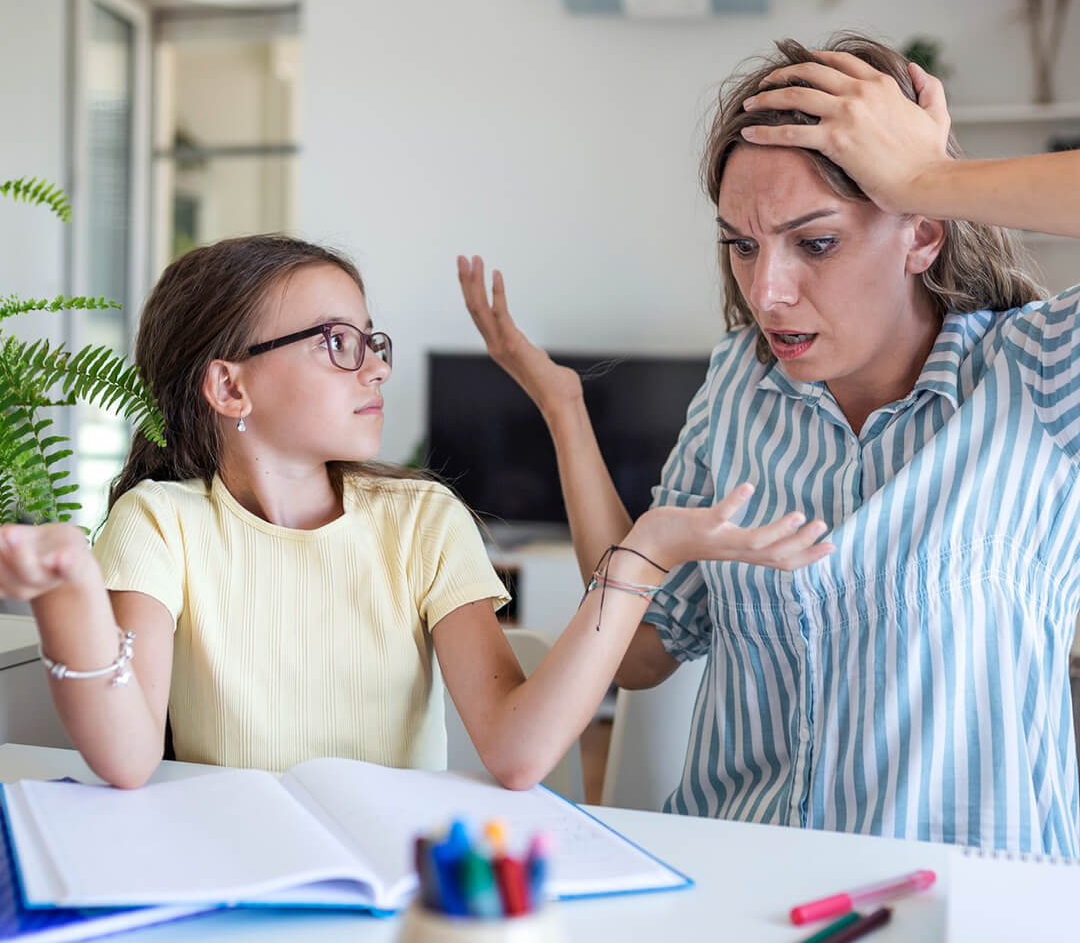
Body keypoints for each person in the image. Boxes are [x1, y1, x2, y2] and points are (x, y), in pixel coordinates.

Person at [459, 32, 1080, 856]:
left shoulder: (1036, 373)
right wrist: (565, 409)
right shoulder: (739, 387)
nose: (767, 293)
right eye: (743, 246)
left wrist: (930, 178)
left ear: (922, 235)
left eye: (814, 243)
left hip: (961, 902)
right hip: (739, 879)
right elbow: (642, 652)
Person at [0, 235, 825, 791]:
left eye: (372, 340)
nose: (374, 369)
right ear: (229, 386)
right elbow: (128, 759)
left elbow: (516, 751)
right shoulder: (159, 524)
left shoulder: (420, 520)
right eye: (336, 342)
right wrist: (66, 594)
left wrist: (644, 551)